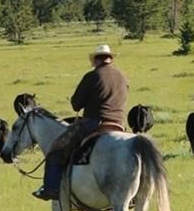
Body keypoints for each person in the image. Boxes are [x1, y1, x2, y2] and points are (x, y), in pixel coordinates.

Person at [33, 44, 129, 201]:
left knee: (55, 150)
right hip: (119, 124)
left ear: (95, 61)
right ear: (110, 58)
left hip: (94, 123)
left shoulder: (92, 76)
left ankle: (50, 189)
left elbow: (76, 104)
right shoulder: (123, 76)